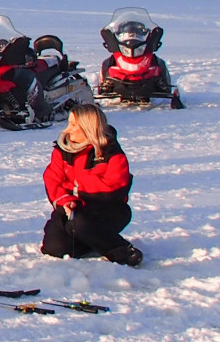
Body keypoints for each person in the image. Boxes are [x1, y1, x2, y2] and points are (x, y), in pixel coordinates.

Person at [41, 103, 144, 266]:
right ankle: (91, 241)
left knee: (81, 223)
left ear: (87, 127)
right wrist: (66, 200)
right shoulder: (62, 150)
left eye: (73, 124)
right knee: (54, 248)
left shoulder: (111, 152)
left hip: (107, 209)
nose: (67, 129)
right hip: (72, 208)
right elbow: (53, 179)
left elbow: (115, 185)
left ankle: (122, 251)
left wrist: (77, 186)